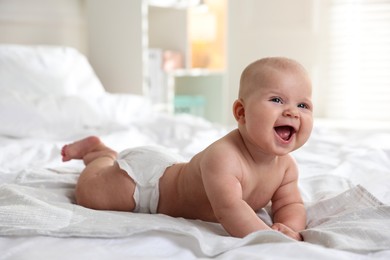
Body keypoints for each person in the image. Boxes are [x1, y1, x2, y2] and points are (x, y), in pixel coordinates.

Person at [61, 57, 313, 241]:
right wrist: (269, 238)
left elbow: (291, 205)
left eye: (303, 105)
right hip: (148, 185)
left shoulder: (286, 167)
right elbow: (229, 210)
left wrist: (289, 228)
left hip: (172, 166)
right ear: (241, 112)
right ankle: (101, 154)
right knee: (90, 195)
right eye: (277, 100)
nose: (292, 111)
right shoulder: (224, 157)